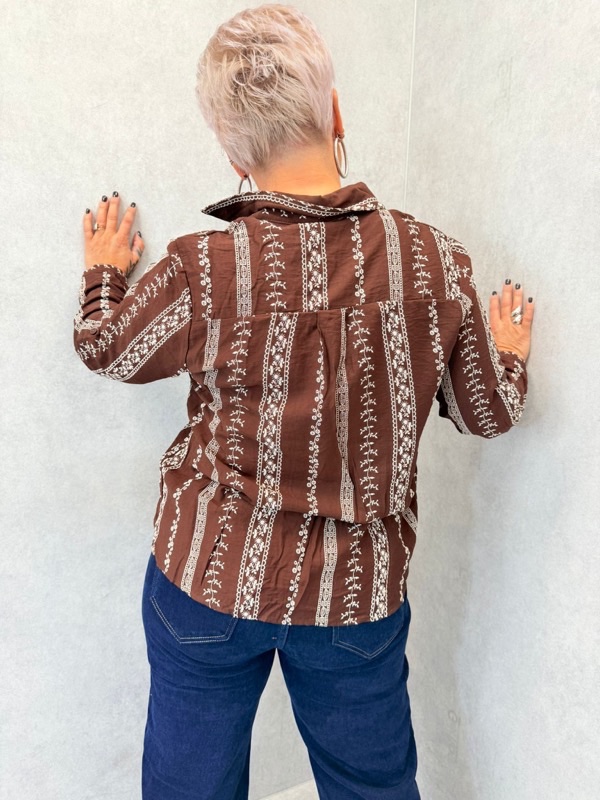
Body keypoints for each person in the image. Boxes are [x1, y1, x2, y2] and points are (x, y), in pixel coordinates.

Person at [73, 5, 534, 799]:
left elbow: (105, 348)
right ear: (335, 113)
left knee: (188, 788)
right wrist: (512, 355)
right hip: (356, 592)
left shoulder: (203, 269)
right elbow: (486, 413)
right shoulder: (438, 264)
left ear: (232, 152)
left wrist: (103, 274)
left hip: (208, 575)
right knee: (372, 787)